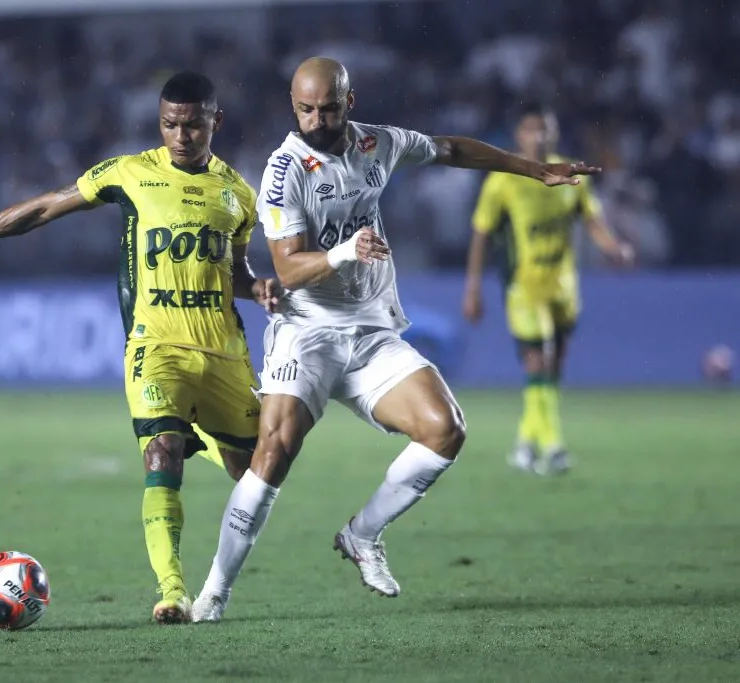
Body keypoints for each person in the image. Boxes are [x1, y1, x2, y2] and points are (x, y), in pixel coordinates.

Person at [190, 57, 600, 623]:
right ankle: (214, 592)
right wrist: (345, 251)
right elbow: (287, 269)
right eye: (305, 110)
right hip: (308, 333)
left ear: (349, 102)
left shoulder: (377, 144)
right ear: (293, 107)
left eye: (327, 108)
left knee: (445, 429)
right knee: (274, 452)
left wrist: (532, 169)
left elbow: (451, 149)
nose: (316, 120)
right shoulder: (284, 171)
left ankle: (363, 534)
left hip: (371, 331)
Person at [0, 71, 281, 625]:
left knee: (251, 472)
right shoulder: (130, 172)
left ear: (216, 122)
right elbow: (47, 206)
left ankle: (200, 435)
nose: (180, 136)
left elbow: (234, 270)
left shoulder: (238, 193)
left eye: (192, 125)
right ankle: (172, 591)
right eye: (169, 124)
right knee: (160, 454)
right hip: (155, 345)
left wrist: (258, 289)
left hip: (224, 352)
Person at [462, 102, 634, 475]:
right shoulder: (504, 179)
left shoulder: (571, 174)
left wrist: (613, 248)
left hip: (563, 288)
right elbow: (481, 233)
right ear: (519, 134)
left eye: (546, 128)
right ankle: (553, 446)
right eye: (531, 129)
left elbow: (593, 220)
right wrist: (472, 288)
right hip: (523, 287)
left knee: (552, 367)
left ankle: (525, 442)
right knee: (539, 361)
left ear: (554, 133)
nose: (539, 136)